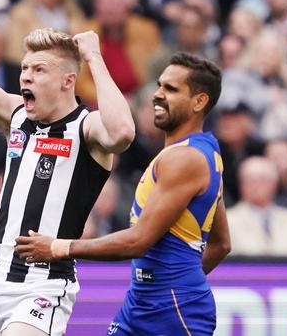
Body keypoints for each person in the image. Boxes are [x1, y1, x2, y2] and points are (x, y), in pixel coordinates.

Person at [0, 0, 135, 336]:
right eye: (25, 68)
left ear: (67, 81)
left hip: (42, 284)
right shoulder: (17, 115)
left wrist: (93, 57)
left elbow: (122, 133)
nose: (25, 77)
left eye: (39, 70)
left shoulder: (86, 128)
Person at [15, 53, 231, 335]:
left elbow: (138, 241)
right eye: (159, 85)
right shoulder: (200, 153)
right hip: (145, 303)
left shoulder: (185, 159)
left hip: (173, 311)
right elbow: (221, 243)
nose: (157, 95)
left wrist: (58, 247)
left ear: (199, 101)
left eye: (171, 89)